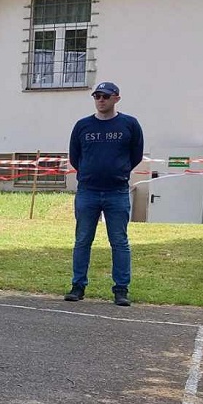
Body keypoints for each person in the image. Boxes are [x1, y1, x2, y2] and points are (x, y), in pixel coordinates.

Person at [66, 81, 145, 307]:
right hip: (88, 191)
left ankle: (121, 289)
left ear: (116, 98)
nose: (101, 100)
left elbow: (135, 155)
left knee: (119, 241)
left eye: (105, 96)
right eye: (97, 96)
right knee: (82, 240)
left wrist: (118, 171)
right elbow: (75, 157)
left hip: (117, 191)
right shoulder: (83, 126)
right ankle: (77, 286)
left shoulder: (129, 124)